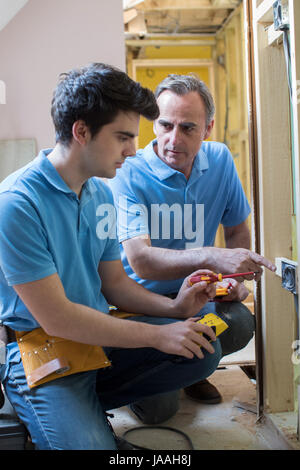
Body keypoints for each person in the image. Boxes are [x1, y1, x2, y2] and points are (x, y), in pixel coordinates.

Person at [0, 63, 232, 450]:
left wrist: (176, 308)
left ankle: (80, 412)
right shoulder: (17, 204)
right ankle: (56, 414)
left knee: (200, 348)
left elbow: (116, 285)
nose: (132, 150)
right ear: (81, 131)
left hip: (96, 339)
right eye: (123, 137)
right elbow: (58, 318)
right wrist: (158, 335)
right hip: (40, 349)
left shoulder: (99, 193)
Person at [109, 73, 276, 424]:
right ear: (153, 123)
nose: (173, 139)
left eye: (188, 128)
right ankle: (155, 376)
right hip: (143, 307)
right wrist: (211, 255)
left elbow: (236, 231)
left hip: (200, 302)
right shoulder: (129, 173)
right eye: (165, 125)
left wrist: (234, 280)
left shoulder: (220, 160)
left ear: (208, 127)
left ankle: (194, 369)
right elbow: (141, 261)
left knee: (239, 322)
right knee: (158, 412)